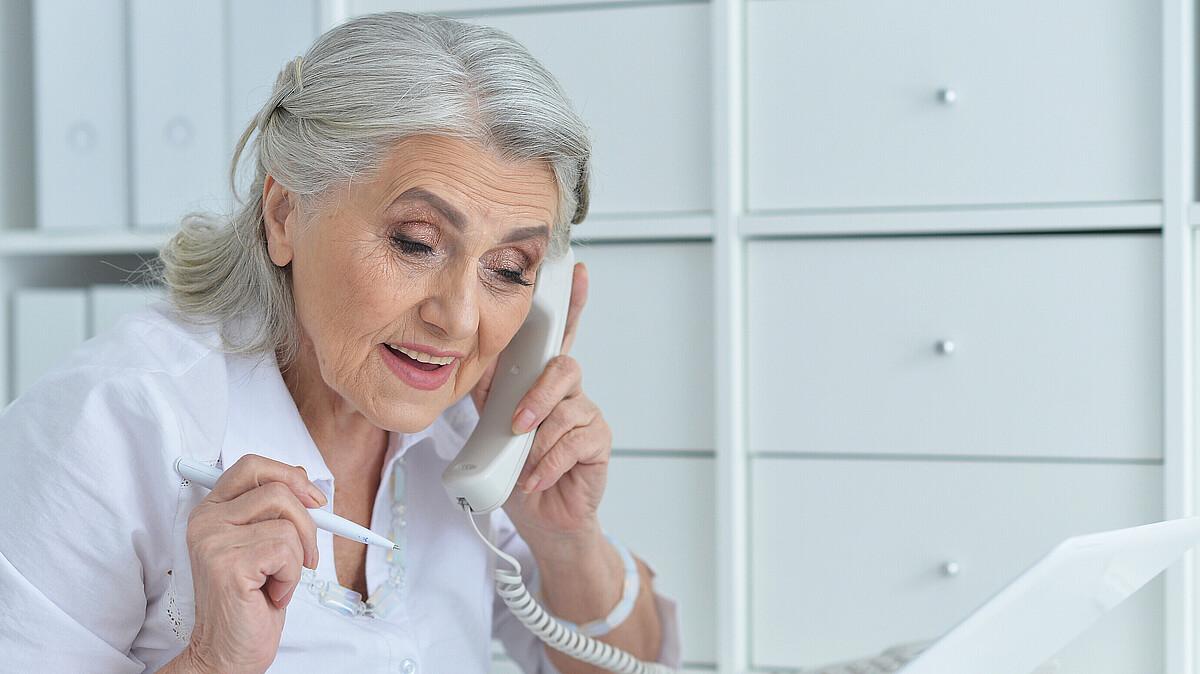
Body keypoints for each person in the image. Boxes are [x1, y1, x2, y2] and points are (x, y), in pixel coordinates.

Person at [0, 12, 680, 673]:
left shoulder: (475, 425)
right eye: (415, 243)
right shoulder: (108, 424)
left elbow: (634, 664)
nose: (460, 320)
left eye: (508, 270)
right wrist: (213, 663)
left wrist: (566, 541)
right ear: (284, 214)